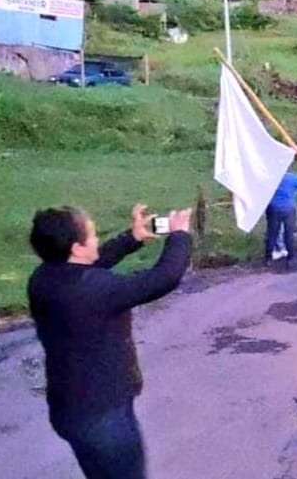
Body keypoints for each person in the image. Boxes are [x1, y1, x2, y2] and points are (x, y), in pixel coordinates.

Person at [28, 204, 192, 479]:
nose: (96, 240)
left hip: (70, 408)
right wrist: (180, 235)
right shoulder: (94, 289)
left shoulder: (43, 277)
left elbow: (86, 265)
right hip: (103, 418)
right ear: (77, 248)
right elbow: (164, 277)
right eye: (93, 235)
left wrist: (132, 237)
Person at [266, 166, 297, 267]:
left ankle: (268, 258)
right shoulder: (292, 177)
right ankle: (290, 257)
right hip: (289, 208)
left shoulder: (272, 177)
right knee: (289, 233)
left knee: (272, 233)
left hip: (273, 207)